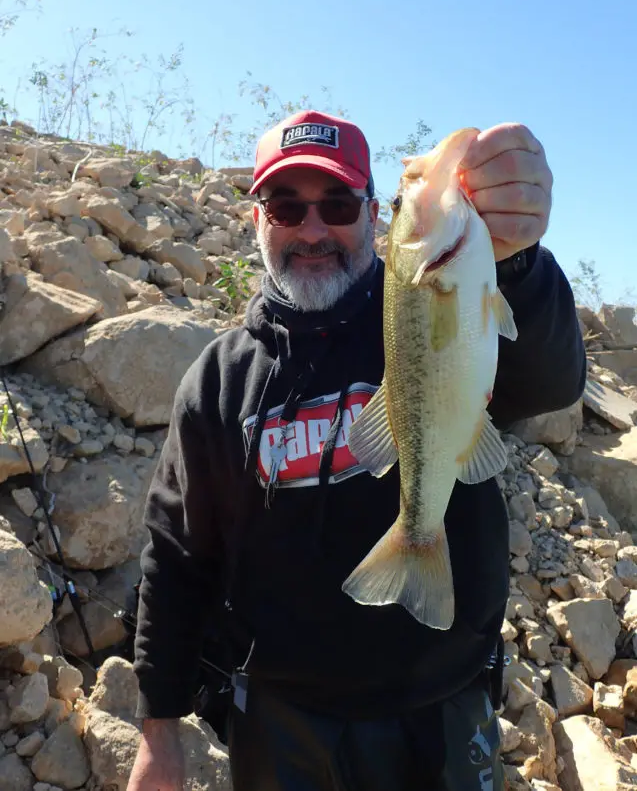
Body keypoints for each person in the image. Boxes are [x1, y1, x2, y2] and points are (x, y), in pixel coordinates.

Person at [127, 110, 586, 791]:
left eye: (337, 204)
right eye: (286, 206)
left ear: (373, 215)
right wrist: (158, 729)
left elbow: (547, 378)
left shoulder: (429, 297)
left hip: (439, 708)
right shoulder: (218, 381)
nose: (312, 229)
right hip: (279, 720)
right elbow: (176, 554)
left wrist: (514, 259)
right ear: (257, 220)